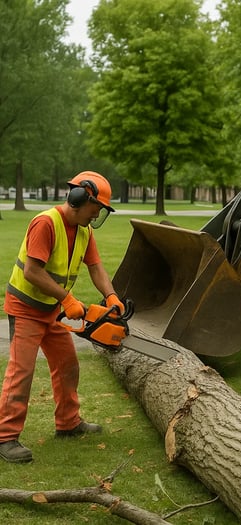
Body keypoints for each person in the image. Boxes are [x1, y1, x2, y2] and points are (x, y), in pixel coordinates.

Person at [0, 171, 124, 463]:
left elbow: (96, 267)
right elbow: (32, 271)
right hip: (26, 308)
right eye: (97, 209)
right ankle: (5, 437)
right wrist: (67, 299)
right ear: (80, 197)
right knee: (22, 372)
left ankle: (68, 423)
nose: (97, 216)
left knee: (68, 364)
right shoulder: (46, 223)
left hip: (51, 311)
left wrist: (112, 297)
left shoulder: (84, 231)